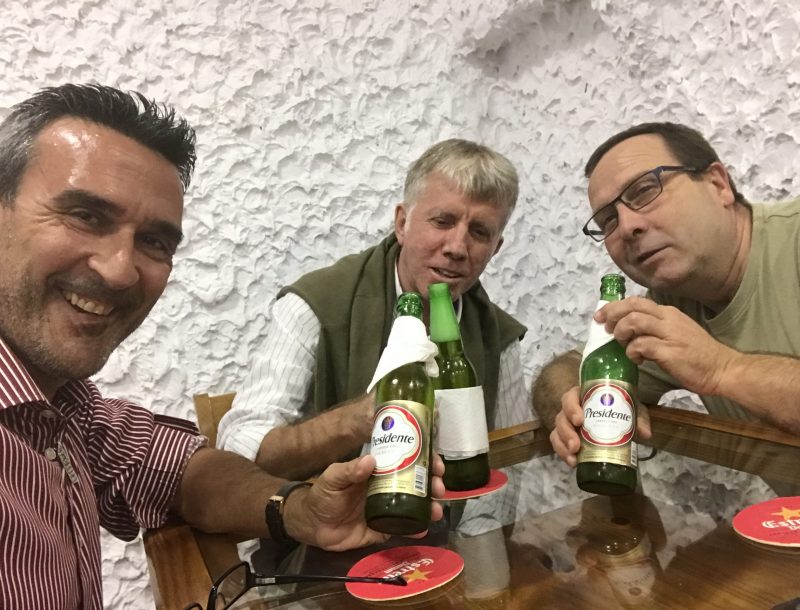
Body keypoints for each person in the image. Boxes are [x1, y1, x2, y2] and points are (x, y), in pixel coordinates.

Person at [0, 83, 445, 610]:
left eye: (155, 242)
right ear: (401, 222)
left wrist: (302, 510)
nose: (121, 270)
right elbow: (246, 436)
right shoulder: (315, 300)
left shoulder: (66, 406)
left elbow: (181, 470)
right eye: (85, 215)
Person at [218, 138, 531, 482]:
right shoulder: (317, 304)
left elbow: (511, 459)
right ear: (402, 223)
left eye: (479, 232)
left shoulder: (498, 336)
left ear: (495, 248)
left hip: (450, 532)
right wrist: (353, 421)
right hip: (327, 529)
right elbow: (237, 448)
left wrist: (476, 536)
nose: (457, 247)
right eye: (442, 221)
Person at [533, 121, 800, 469]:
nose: (627, 226)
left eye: (645, 191)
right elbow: (563, 369)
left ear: (718, 184)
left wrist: (721, 369)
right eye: (608, 219)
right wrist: (570, 403)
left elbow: (715, 366)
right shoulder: (670, 301)